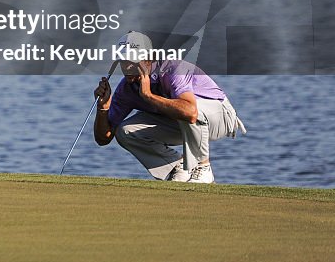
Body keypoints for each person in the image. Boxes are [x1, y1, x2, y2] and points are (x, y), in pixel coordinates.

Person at [93, 30, 247, 184]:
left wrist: (149, 96)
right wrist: (103, 108)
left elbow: (191, 113)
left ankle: (203, 167)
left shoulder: (173, 69)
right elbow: (103, 139)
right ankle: (177, 167)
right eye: (123, 61)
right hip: (185, 124)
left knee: (186, 109)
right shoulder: (127, 88)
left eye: (132, 61)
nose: (127, 67)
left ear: (149, 59)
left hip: (220, 117)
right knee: (125, 131)